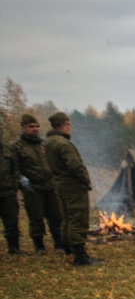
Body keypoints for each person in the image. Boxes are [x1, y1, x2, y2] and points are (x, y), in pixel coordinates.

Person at [44, 112, 99, 266]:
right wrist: (85, 180)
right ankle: (80, 256)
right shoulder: (63, 143)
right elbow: (74, 165)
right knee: (78, 218)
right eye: (69, 125)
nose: (70, 128)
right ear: (65, 125)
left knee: (67, 218)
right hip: (73, 186)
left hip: (60, 185)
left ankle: (69, 249)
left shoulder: (48, 143)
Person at [11, 113, 64, 255]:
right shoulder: (17, 147)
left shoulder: (44, 145)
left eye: (36, 126)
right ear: (23, 128)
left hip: (51, 186)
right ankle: (39, 245)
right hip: (33, 189)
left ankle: (58, 243)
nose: (34, 129)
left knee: (56, 216)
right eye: (30, 126)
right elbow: (14, 169)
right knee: (36, 218)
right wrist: (22, 181)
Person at [0, 141, 18, 255]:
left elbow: (15, 168)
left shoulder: (8, 148)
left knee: (11, 221)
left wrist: (14, 184)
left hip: (7, 191)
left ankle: (14, 247)